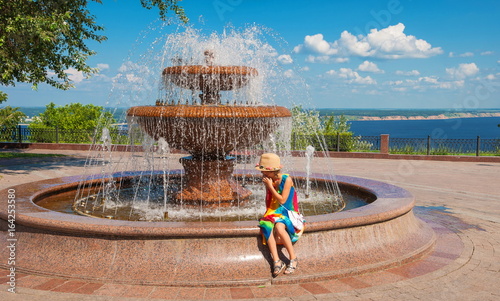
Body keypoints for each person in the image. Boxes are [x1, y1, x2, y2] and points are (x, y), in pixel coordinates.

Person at [256, 153, 304, 277]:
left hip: (287, 211)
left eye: (264, 172)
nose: (263, 174)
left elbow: (282, 200)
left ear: (273, 171)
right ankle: (277, 261)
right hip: (274, 211)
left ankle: (293, 259)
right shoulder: (270, 180)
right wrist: (269, 186)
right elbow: (270, 201)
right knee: (265, 225)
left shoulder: (286, 179)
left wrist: (270, 187)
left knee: (279, 227)